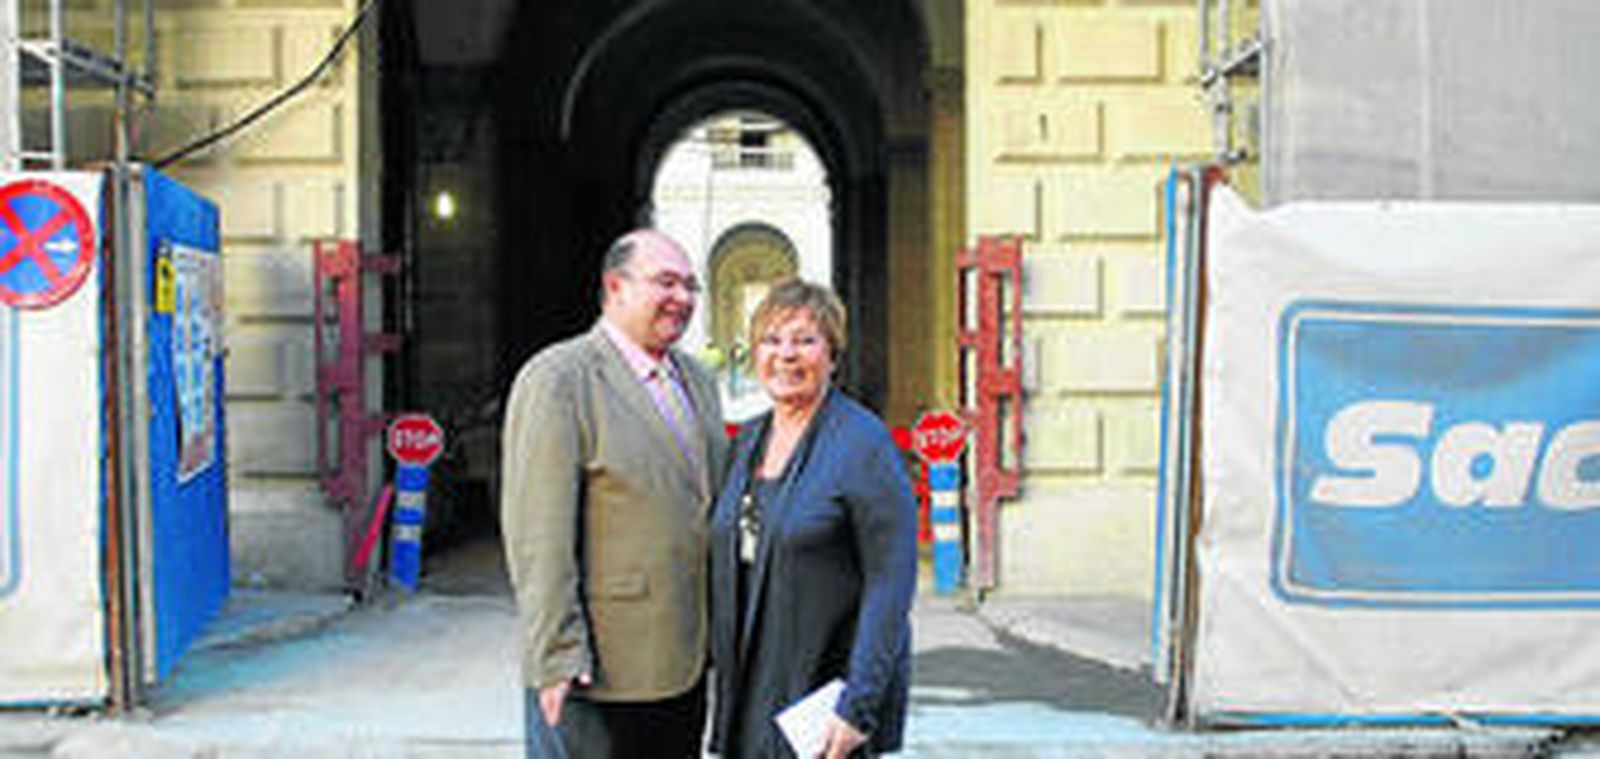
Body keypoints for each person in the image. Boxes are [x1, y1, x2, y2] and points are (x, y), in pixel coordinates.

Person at [500, 229, 727, 758]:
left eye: (691, 286)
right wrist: (556, 654)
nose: (683, 299)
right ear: (615, 287)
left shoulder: (697, 379)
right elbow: (539, 536)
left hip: (685, 663)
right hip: (595, 672)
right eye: (666, 283)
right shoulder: (559, 378)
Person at [708, 278, 917, 758]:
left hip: (823, 694)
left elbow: (890, 584)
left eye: (805, 340)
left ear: (832, 355)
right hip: (750, 684)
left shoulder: (863, 443)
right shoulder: (746, 442)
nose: (786, 354)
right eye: (772, 340)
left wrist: (857, 705)